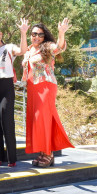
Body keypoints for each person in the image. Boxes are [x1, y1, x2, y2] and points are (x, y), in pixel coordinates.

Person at [22, 19, 73, 168]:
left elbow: (59, 47)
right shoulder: (29, 49)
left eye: (40, 34)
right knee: (36, 120)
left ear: (44, 36)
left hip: (45, 87)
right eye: (34, 34)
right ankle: (43, 152)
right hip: (32, 88)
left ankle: (48, 153)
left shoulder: (47, 47)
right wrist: (23, 33)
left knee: (42, 118)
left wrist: (61, 33)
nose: (36, 37)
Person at [0, 19, 29, 167]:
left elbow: (22, 51)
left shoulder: (9, 48)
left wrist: (23, 33)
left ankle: (12, 159)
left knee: (7, 122)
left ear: (0, 34)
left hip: (6, 86)